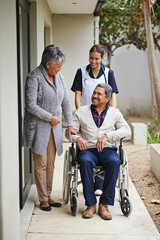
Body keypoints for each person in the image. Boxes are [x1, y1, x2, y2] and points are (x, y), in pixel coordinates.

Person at [23, 44, 76, 211]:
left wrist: (70, 124)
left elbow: (66, 102)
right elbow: (30, 105)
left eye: (61, 66)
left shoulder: (59, 77)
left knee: (51, 163)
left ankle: (48, 194)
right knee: (41, 163)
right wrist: (49, 117)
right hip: (39, 127)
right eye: (58, 66)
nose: (60, 69)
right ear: (48, 64)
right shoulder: (34, 77)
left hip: (54, 128)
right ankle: (43, 198)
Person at [70, 83, 131, 220]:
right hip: (88, 150)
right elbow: (70, 132)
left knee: (115, 162)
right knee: (84, 161)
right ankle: (91, 204)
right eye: (94, 93)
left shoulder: (114, 113)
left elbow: (127, 130)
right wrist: (78, 138)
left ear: (107, 98)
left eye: (99, 94)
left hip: (107, 150)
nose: (95, 96)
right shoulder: (81, 111)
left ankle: (104, 204)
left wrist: (107, 136)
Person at [71, 44, 119, 196]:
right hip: (86, 116)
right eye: (91, 58)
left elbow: (113, 96)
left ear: (102, 58)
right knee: (88, 151)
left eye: (96, 59)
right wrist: (80, 113)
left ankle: (99, 184)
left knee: (104, 149)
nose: (93, 61)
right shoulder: (81, 72)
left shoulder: (108, 73)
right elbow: (78, 94)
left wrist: (111, 113)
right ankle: (90, 185)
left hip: (103, 115)